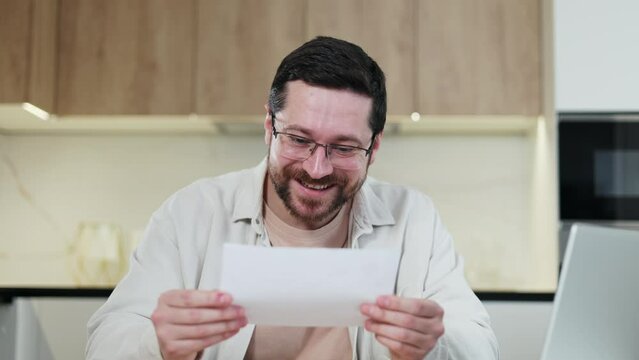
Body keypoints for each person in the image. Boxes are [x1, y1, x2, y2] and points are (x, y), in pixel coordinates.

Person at [87, 36, 499, 360]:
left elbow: (480, 348)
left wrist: (434, 346)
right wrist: (158, 344)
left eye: (344, 148)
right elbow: (104, 345)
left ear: (374, 148)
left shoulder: (414, 220)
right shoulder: (193, 212)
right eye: (299, 140)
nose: (318, 168)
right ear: (268, 126)